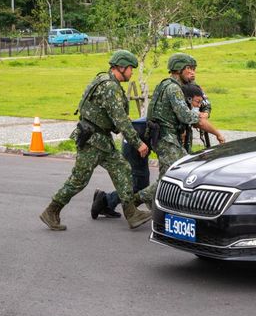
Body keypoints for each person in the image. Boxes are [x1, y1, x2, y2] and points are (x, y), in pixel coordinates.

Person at [39, 50, 151, 230]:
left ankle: (131, 213)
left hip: (100, 139)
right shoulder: (110, 87)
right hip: (93, 140)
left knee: (122, 168)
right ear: (121, 67)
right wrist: (138, 143)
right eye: (130, 68)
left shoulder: (103, 80)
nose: (131, 72)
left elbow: (110, 116)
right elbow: (120, 120)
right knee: (78, 180)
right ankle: (51, 211)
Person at [132, 53, 222, 210]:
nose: (193, 72)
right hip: (167, 138)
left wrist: (204, 111)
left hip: (170, 137)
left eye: (194, 69)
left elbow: (204, 101)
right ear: (179, 69)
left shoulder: (175, 85)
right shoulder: (173, 88)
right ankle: (131, 203)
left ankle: (156, 206)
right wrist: (200, 117)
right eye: (189, 69)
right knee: (173, 175)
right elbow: (185, 115)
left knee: (168, 176)